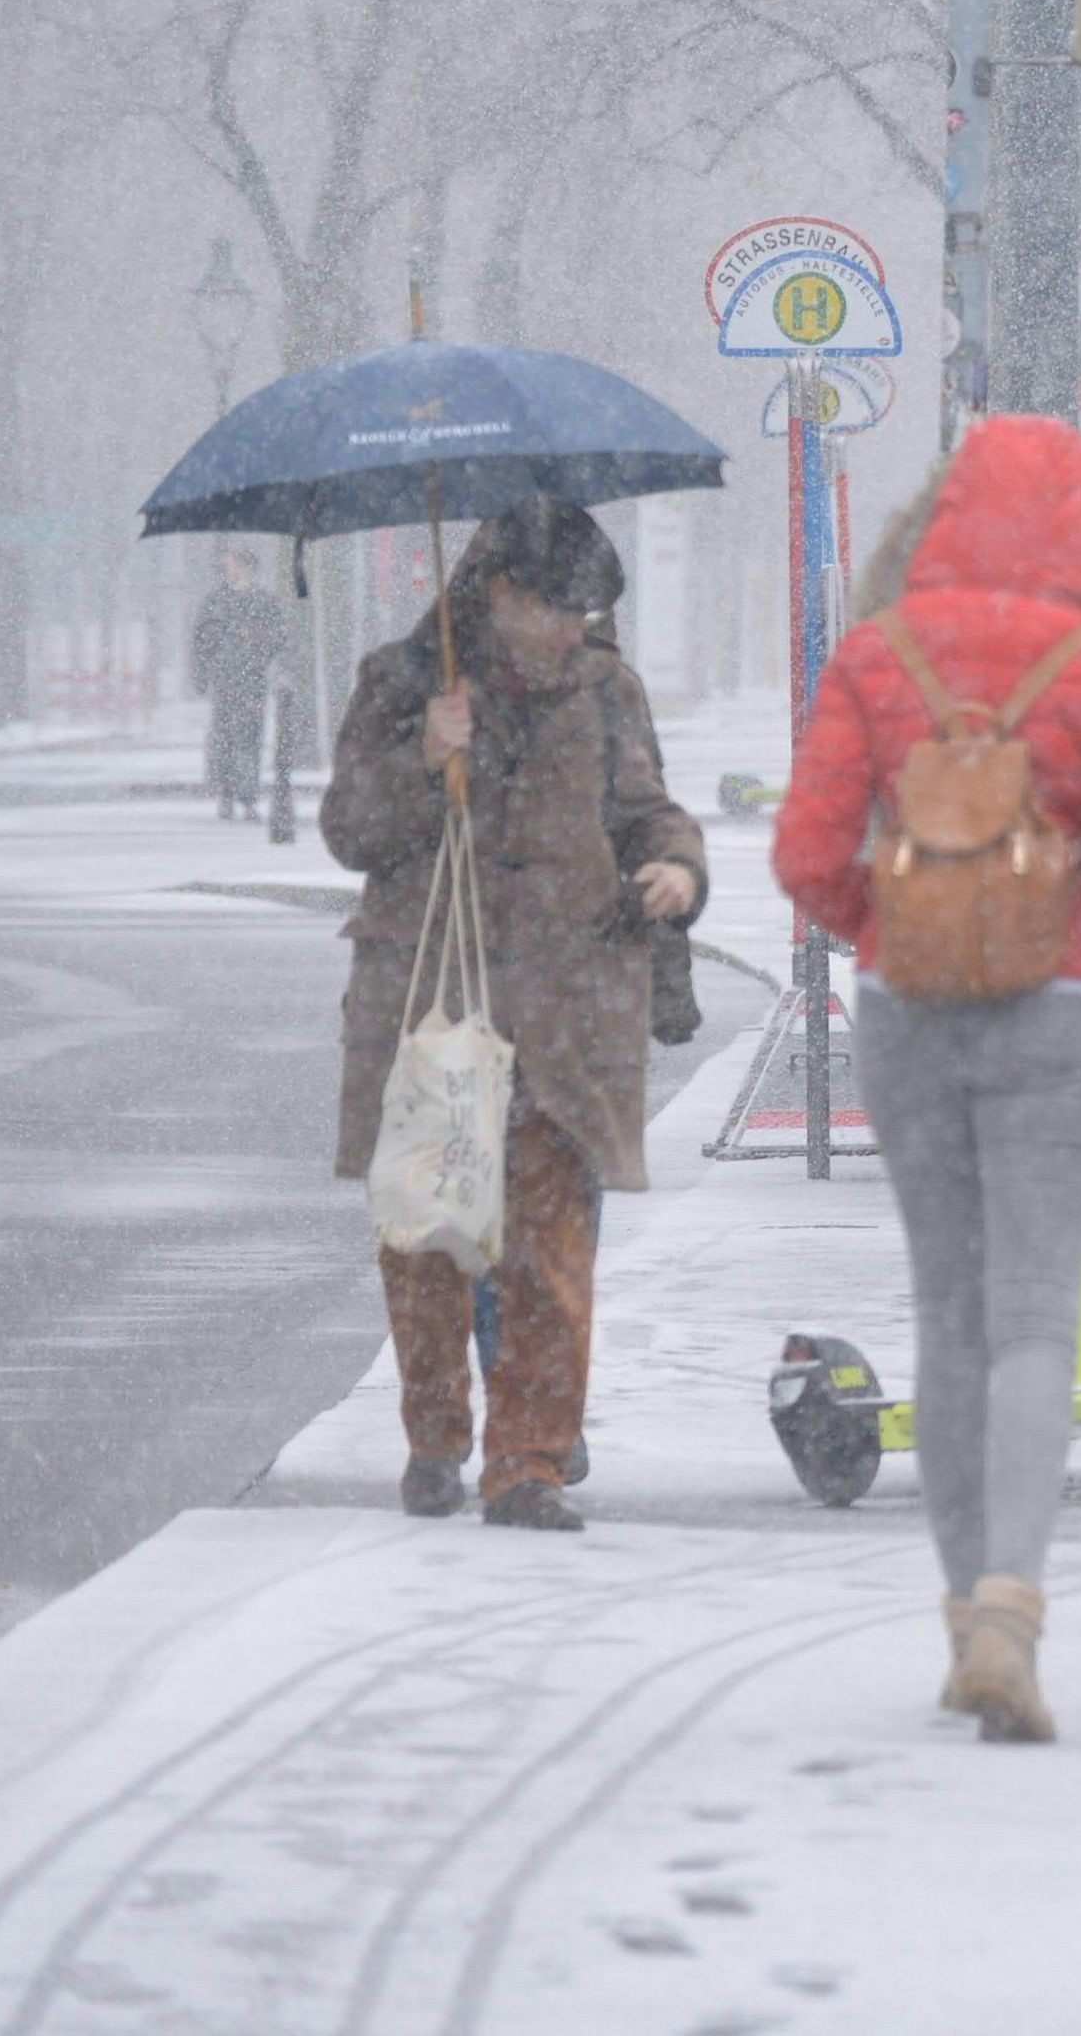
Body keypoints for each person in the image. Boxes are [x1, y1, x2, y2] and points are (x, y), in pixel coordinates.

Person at [772, 416, 1081, 1744]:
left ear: (936, 520)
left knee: (944, 1315)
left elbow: (804, 853)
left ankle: (963, 1607)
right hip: (1053, 1018)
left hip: (906, 1014)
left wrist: (888, 926)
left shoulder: (875, 654)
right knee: (1031, 1317)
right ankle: (1013, 1608)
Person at [322, 499, 705, 1531]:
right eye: (558, 606)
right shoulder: (406, 683)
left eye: (587, 608)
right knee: (429, 1238)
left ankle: (528, 1461)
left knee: (550, 1248)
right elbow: (349, 829)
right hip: (433, 996)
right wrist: (423, 754)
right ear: (501, 594)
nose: (574, 626)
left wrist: (675, 863)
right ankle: (437, 1434)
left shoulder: (607, 690)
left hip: (567, 1005)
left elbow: (646, 810)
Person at [191, 548, 291, 820]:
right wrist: (202, 676)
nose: (231, 570)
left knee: (249, 737)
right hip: (224, 680)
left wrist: (257, 646)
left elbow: (278, 638)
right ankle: (225, 793)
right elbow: (202, 641)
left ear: (249, 568)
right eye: (229, 565)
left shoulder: (264, 602)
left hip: (252, 680)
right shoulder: (215, 601)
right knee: (223, 737)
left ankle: (247, 795)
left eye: (235, 565)